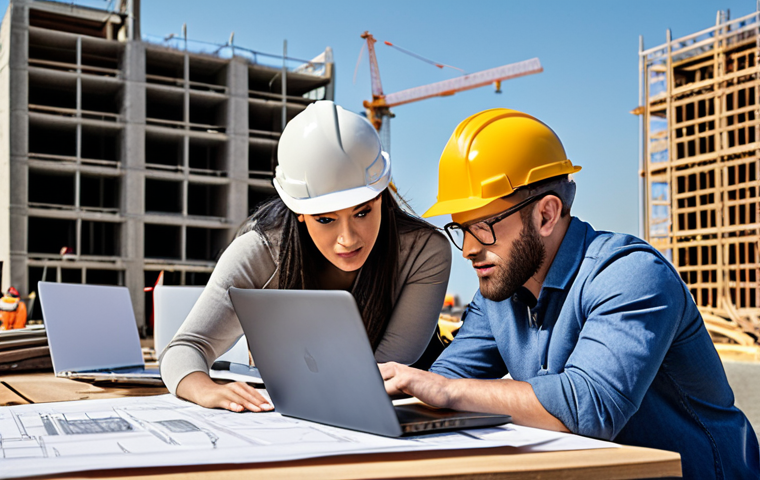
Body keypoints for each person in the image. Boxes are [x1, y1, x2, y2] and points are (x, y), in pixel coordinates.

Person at [379, 109, 759, 479]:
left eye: (482, 227)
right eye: (461, 229)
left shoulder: (629, 275)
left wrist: (445, 390)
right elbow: (446, 383)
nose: (468, 250)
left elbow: (590, 408)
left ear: (546, 214)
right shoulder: (499, 293)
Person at [160, 100, 451, 413]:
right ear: (299, 212)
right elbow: (184, 349)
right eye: (325, 219)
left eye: (363, 212)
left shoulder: (423, 251)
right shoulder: (259, 253)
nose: (348, 238)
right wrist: (205, 390)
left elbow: (386, 371)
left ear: (380, 196)